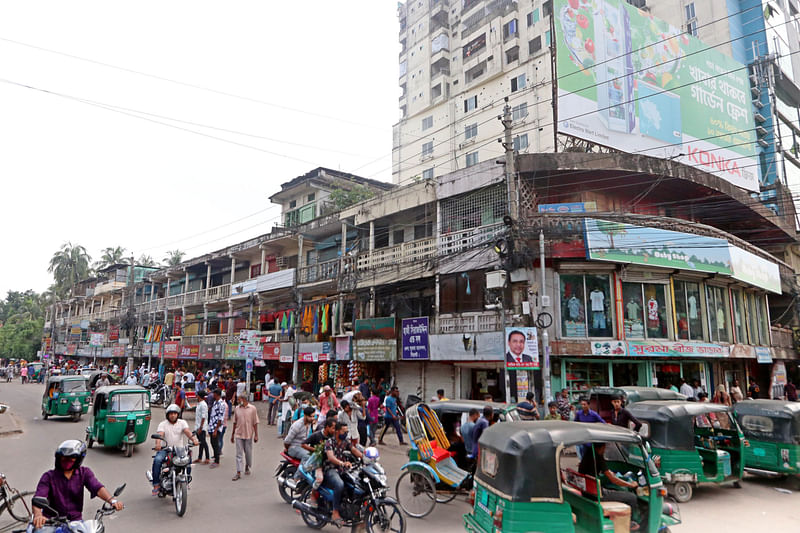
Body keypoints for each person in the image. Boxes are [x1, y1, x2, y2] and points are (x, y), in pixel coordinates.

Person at [32, 440, 124, 529]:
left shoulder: (84, 473)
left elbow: (97, 488)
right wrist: (38, 515)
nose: (66, 460)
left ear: (78, 459)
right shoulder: (48, 477)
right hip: (52, 523)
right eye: (63, 458)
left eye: (71, 458)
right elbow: (39, 497)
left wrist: (112, 501)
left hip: (75, 523)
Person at [579, 443, 646, 531]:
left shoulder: (589, 454)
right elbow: (613, 479)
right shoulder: (598, 457)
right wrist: (630, 484)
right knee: (632, 497)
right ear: (602, 447)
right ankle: (631, 523)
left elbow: (606, 472)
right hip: (596, 494)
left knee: (614, 490)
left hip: (588, 491)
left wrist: (610, 473)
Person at [323, 422, 364, 525]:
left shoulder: (345, 441)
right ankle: (335, 512)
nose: (346, 433)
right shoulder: (329, 442)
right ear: (337, 431)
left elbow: (354, 450)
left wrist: (366, 458)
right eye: (344, 431)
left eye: (347, 431)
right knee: (339, 484)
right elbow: (331, 457)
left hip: (343, 470)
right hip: (330, 469)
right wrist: (342, 463)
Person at [151, 404, 198, 495]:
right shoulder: (163, 424)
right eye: (171, 414)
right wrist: (158, 444)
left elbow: (187, 432)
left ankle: (186, 480)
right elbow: (160, 435)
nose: (173, 415)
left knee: (188, 460)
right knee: (157, 460)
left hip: (179, 449)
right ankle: (156, 484)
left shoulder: (182, 423)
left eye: (175, 413)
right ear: (167, 415)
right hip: (166, 449)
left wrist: (194, 440)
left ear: (178, 414)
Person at [230, 393, 259, 481]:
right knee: (239, 454)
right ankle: (238, 472)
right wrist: (232, 434)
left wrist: (256, 435)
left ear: (243, 399)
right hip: (239, 434)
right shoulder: (237, 409)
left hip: (249, 434)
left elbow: (255, 422)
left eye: (239, 399)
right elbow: (234, 422)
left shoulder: (252, 409)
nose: (237, 401)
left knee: (248, 452)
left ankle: (247, 465)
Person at [208, 389, 226, 468]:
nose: (213, 395)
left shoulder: (221, 404)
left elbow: (220, 418)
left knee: (215, 443)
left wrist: (216, 429)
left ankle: (217, 460)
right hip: (212, 426)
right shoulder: (215, 402)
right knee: (212, 442)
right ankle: (216, 457)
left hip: (216, 427)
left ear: (217, 394)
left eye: (214, 394)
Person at [195, 390, 210, 464]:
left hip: (202, 427)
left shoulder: (203, 405)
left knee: (203, 442)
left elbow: (203, 417)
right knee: (200, 442)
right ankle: (199, 457)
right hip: (198, 426)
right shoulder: (199, 404)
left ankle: (207, 458)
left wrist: (201, 427)